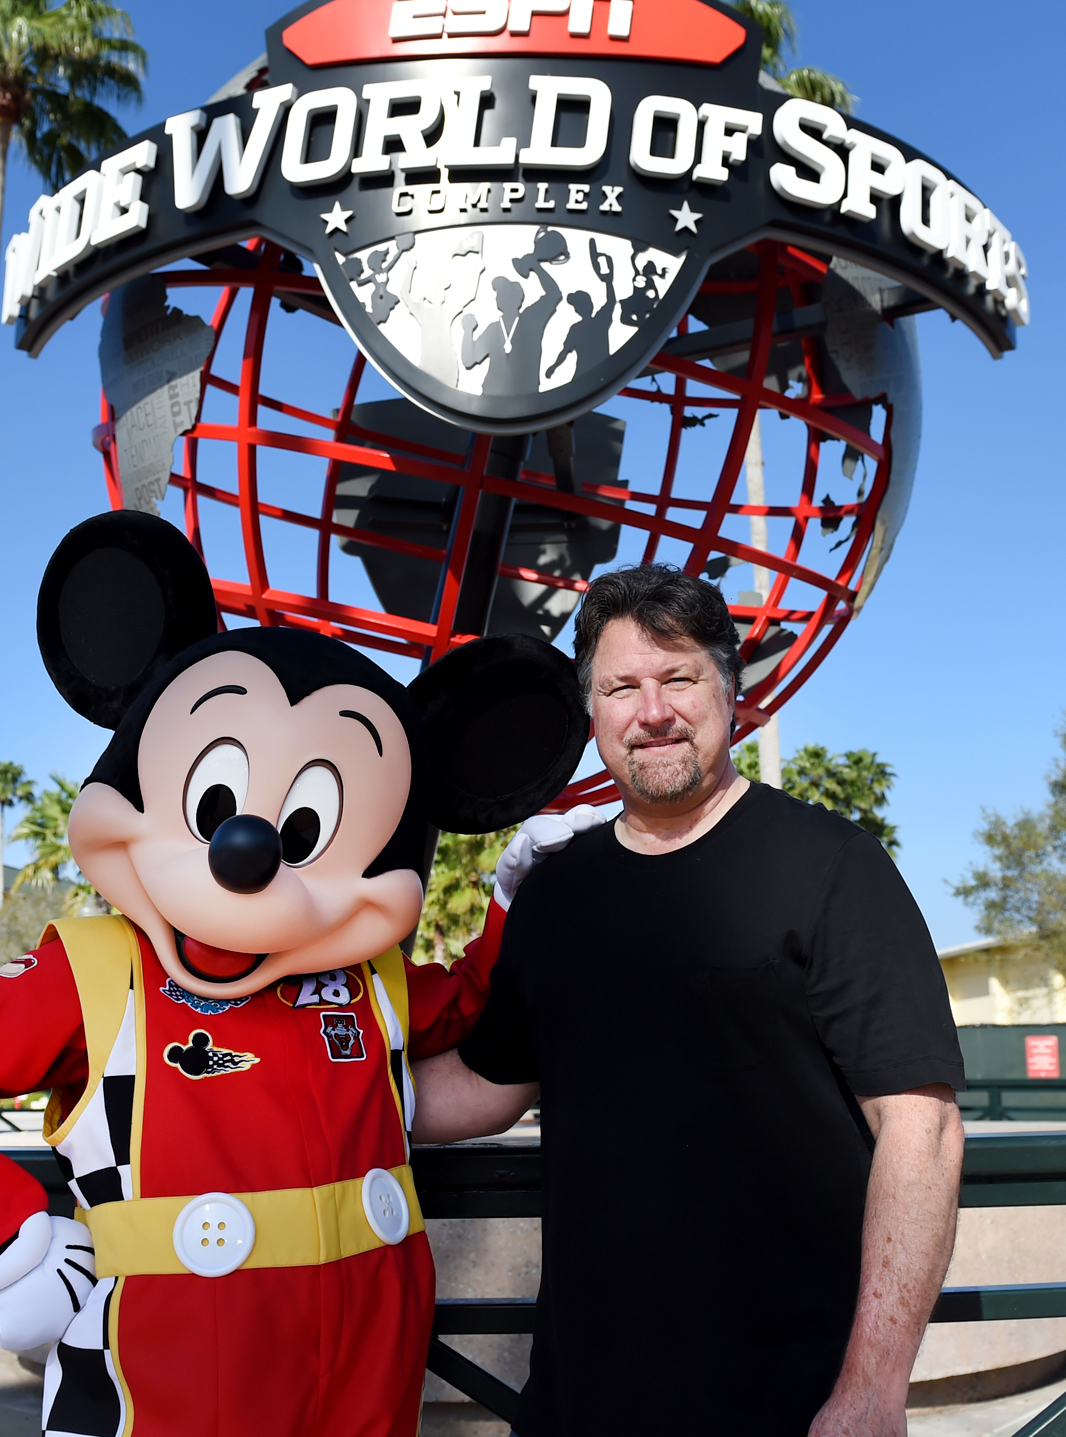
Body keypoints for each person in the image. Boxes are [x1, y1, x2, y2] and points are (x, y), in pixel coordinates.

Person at [414, 564, 967, 1437]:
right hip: (580, 1404)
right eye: (620, 687)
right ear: (591, 711)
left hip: (788, 1404)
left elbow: (921, 1127)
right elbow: (484, 1084)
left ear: (729, 691)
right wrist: (304, 1086)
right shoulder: (554, 893)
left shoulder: (832, 866)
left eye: (678, 678)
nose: (653, 711)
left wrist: (871, 1388)